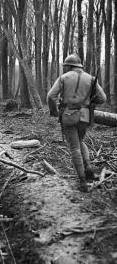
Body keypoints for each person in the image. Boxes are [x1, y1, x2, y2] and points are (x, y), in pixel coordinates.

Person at [47, 54, 106, 192]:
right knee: (80, 140)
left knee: (74, 147)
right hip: (85, 116)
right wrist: (90, 102)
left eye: (66, 66)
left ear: (69, 66)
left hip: (68, 115)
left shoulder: (64, 78)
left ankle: (83, 181)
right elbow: (102, 98)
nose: (65, 68)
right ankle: (89, 168)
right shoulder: (91, 79)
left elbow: (51, 96)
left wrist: (54, 111)